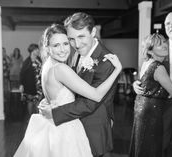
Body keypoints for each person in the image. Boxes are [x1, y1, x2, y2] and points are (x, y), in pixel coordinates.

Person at [14, 23, 121, 157]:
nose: (63, 49)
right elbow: (97, 95)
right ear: (47, 48)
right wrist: (117, 71)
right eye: (56, 45)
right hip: (65, 128)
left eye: (65, 43)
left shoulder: (47, 65)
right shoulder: (61, 69)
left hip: (52, 125)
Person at [133, 12, 172, 157]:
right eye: (167, 23)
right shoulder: (160, 46)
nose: (170, 26)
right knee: (160, 146)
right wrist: (136, 84)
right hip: (161, 107)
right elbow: (147, 72)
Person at [19, 44, 43, 116]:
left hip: (39, 85)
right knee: (30, 102)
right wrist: (21, 84)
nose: (38, 51)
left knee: (38, 103)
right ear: (32, 51)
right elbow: (22, 74)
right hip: (30, 85)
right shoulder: (27, 62)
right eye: (36, 49)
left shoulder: (39, 59)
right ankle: (30, 118)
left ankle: (37, 118)